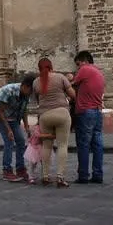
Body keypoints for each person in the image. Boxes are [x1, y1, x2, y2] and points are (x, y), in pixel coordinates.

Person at [33, 57, 76, 187]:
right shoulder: (60, 77)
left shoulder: (36, 82)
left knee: (47, 146)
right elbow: (73, 94)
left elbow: (38, 100)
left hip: (45, 116)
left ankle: (45, 176)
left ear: (39, 69)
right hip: (62, 113)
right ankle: (60, 177)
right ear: (52, 67)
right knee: (62, 145)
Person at [0, 75, 34, 182]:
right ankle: (7, 170)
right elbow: (0, 112)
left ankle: (20, 169)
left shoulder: (26, 94)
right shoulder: (8, 91)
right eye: (30, 91)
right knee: (9, 140)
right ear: (25, 86)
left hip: (13, 116)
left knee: (21, 141)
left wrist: (27, 127)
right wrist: (8, 130)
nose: (31, 94)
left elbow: (24, 110)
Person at [72, 50, 106, 185]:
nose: (78, 68)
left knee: (83, 144)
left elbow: (72, 84)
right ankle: (98, 174)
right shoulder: (99, 72)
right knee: (97, 144)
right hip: (97, 111)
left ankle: (83, 175)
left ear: (84, 61)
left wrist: (69, 77)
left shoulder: (85, 69)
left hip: (85, 111)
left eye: (78, 64)